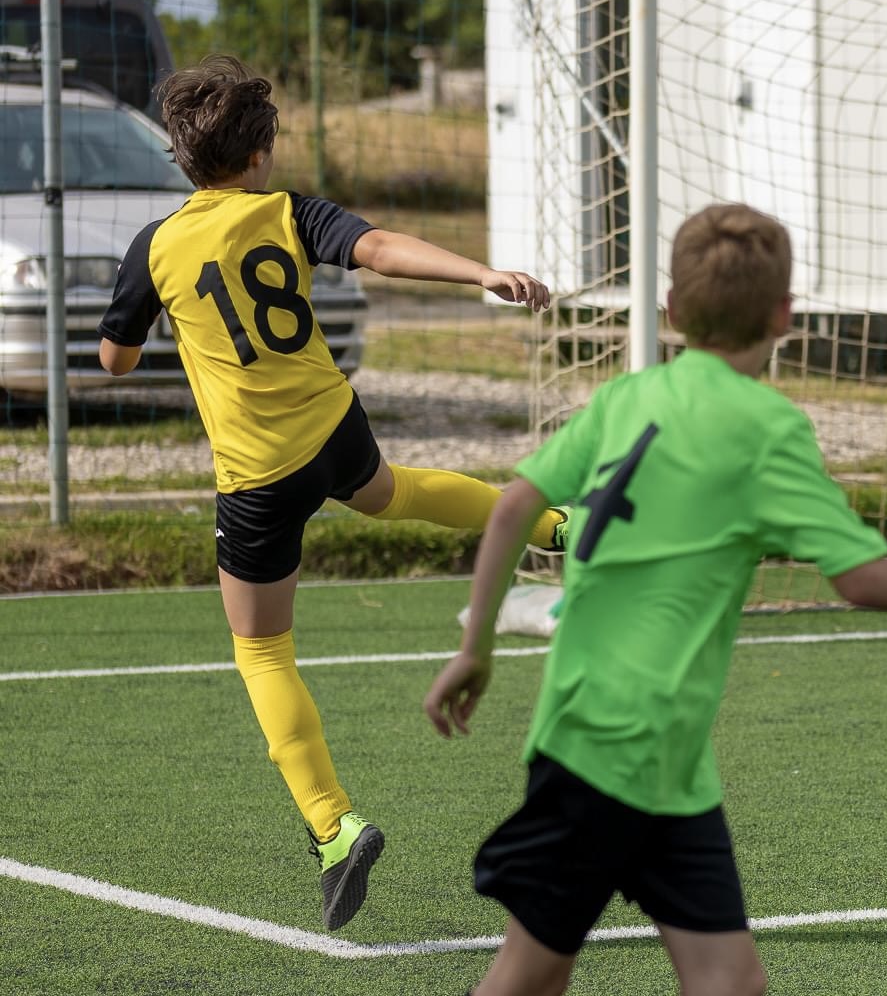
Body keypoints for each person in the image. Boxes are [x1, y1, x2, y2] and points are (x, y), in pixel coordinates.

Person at [387, 204, 887, 996]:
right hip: (613, 750)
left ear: (669, 307)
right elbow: (858, 576)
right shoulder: (766, 426)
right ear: (786, 317)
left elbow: (512, 504)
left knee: (724, 987)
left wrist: (478, 645)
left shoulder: (632, 395)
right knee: (523, 988)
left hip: (656, 762)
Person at [95, 55, 568, 931]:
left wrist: (148, 328)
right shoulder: (286, 213)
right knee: (390, 493)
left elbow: (114, 358)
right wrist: (481, 274)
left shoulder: (153, 247)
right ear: (261, 154)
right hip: (331, 424)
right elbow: (380, 248)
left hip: (257, 477)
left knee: (262, 652)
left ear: (181, 158)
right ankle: (555, 522)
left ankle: (333, 826)